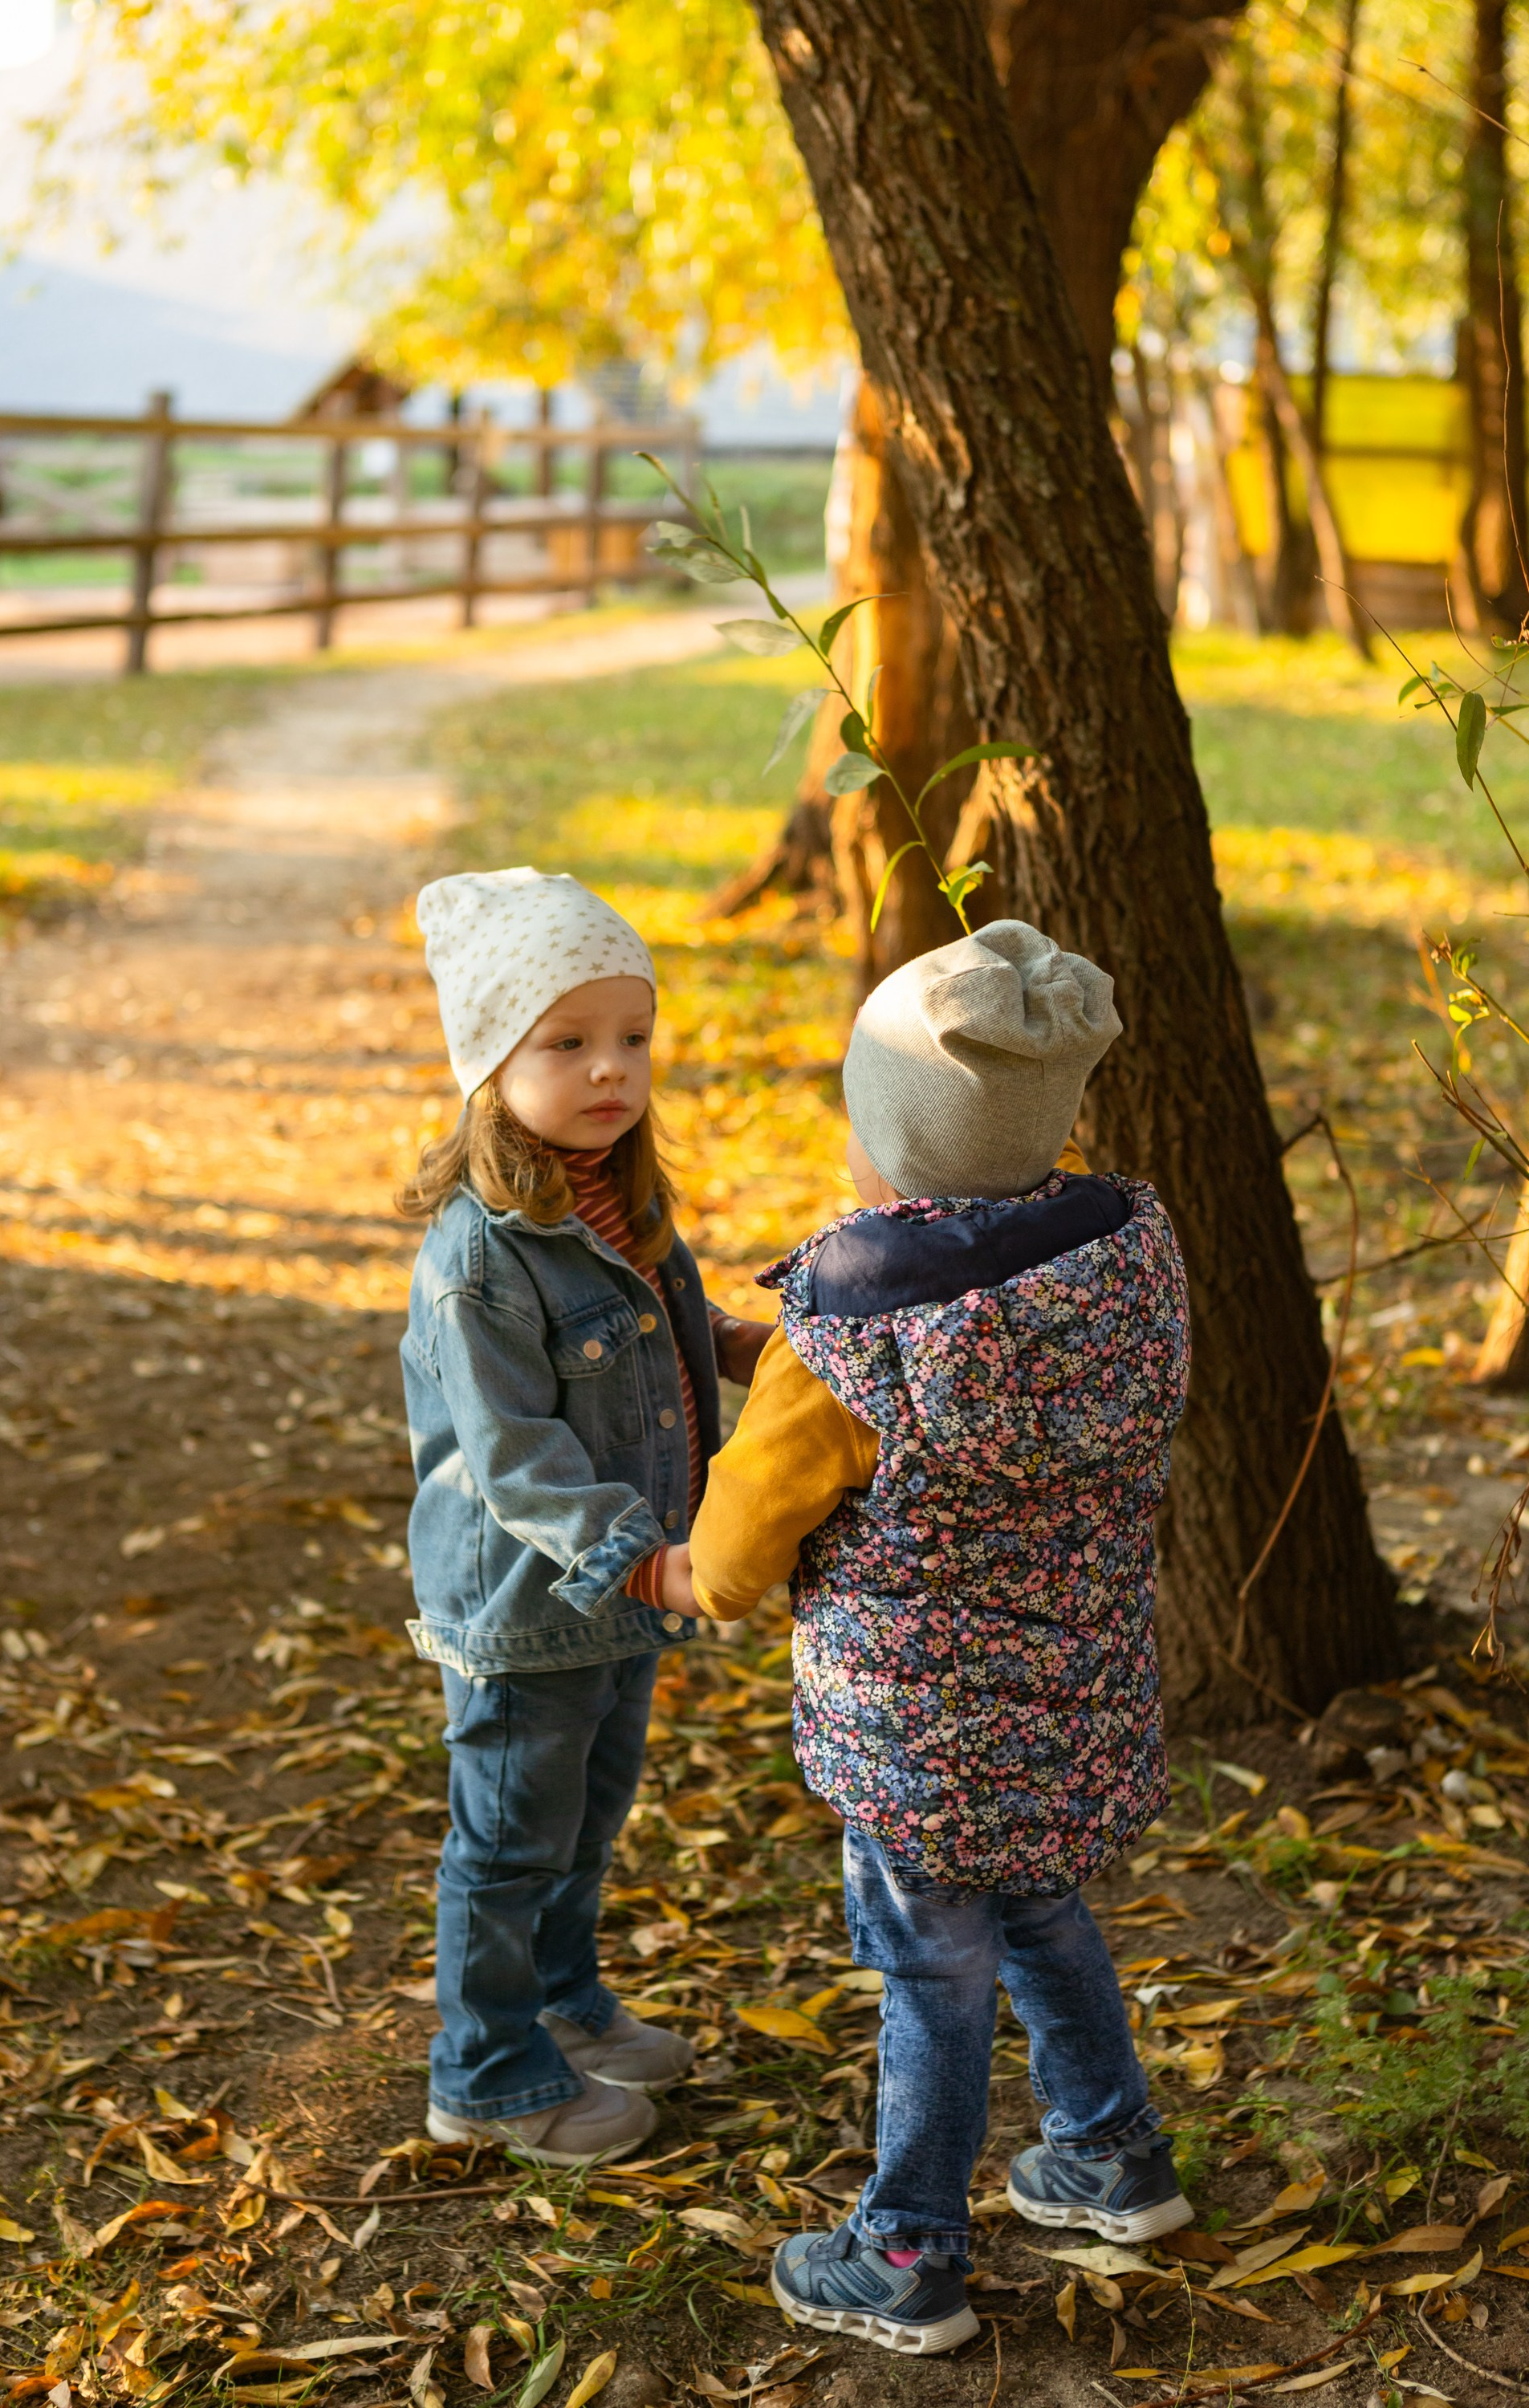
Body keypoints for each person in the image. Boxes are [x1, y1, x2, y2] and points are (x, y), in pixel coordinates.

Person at [685, 919, 1193, 2355]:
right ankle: (1112, 2154)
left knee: (933, 1974)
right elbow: (961, 1383)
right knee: (1042, 1909)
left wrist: (670, 1575)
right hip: (1073, 1696)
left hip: (918, 1739)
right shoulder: (1120, 1258)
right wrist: (768, 1348)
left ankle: (908, 2251)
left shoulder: (850, 1332)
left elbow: (735, 1555)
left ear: (890, 1135)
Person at [397, 867, 771, 2167]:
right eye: (566, 1043)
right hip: (532, 1602)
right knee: (507, 1837)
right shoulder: (479, 1256)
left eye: (632, 1038)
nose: (610, 1071)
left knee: (587, 1812)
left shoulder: (618, 1192)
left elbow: (664, 1327)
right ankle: (487, 2071)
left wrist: (738, 1347)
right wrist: (650, 1564)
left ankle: (560, 2002)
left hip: (619, 1597)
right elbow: (516, 1458)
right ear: (491, 1058)